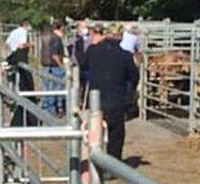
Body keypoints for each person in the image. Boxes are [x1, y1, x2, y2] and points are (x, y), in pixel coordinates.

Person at [81, 23, 139, 161]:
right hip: (116, 100)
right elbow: (134, 77)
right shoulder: (125, 55)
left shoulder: (92, 51)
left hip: (96, 99)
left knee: (96, 130)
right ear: (120, 37)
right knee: (116, 133)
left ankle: (96, 160)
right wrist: (129, 92)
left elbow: (83, 67)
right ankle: (113, 163)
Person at [5, 20, 35, 126]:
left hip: (13, 56)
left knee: (16, 79)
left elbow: (7, 43)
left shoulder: (13, 32)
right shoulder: (23, 32)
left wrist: (12, 50)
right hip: (20, 56)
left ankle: (16, 96)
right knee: (26, 80)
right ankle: (27, 99)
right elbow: (22, 45)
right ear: (26, 25)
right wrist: (30, 45)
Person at [41, 22, 67, 116]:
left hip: (46, 65)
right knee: (57, 88)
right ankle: (55, 109)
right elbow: (55, 55)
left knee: (49, 88)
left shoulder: (48, 37)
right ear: (61, 28)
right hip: (55, 66)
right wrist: (61, 66)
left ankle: (49, 107)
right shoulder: (56, 39)